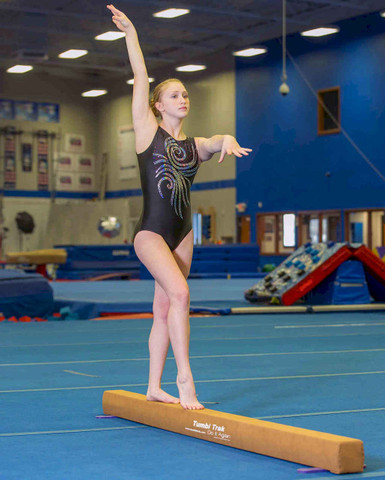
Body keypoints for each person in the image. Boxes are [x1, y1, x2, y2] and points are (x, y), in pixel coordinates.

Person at [107, 4, 252, 410]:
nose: (183, 98)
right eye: (175, 94)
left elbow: (211, 142)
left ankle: (153, 386)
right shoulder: (146, 133)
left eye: (185, 93)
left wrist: (224, 139)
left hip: (183, 232)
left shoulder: (193, 146)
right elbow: (140, 77)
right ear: (158, 105)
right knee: (182, 294)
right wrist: (131, 33)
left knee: (164, 307)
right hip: (151, 232)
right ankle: (185, 378)